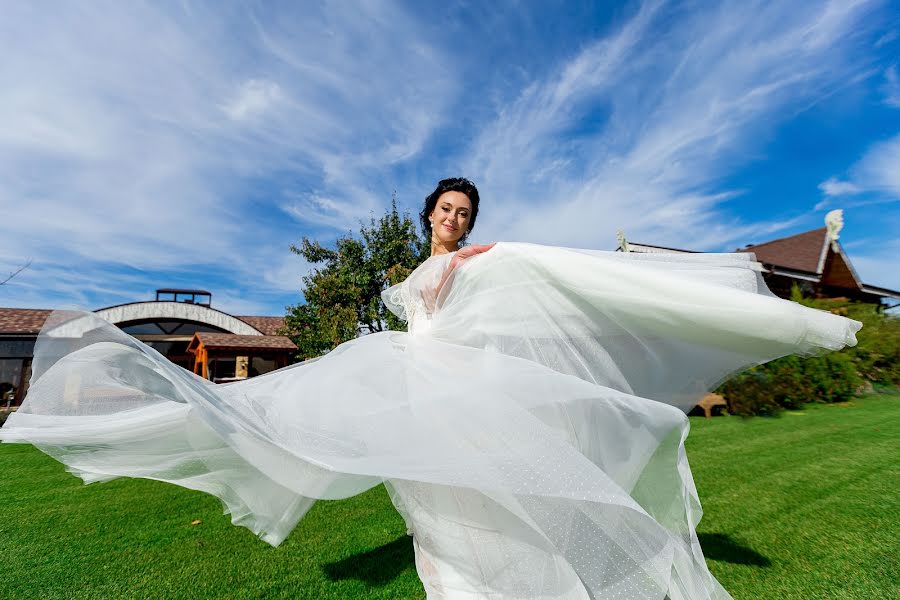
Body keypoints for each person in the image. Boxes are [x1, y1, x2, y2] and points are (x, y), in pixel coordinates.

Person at [0, 178, 861, 600]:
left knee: (469, 489)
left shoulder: (483, 261)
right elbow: (418, 310)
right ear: (428, 216)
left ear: (469, 222)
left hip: (455, 384)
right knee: (378, 466)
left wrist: (484, 267)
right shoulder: (415, 269)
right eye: (445, 211)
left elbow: (530, 286)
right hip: (415, 379)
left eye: (463, 212)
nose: (454, 220)